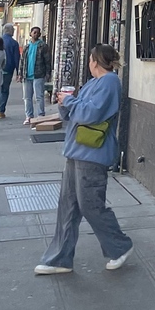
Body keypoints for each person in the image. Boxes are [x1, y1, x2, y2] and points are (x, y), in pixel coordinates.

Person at [35, 44, 134, 275]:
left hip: (92, 153)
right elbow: (79, 112)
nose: (89, 63)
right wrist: (64, 103)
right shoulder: (95, 83)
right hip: (79, 150)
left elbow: (91, 113)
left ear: (95, 61)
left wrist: (69, 102)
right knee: (68, 206)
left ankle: (119, 246)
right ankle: (59, 258)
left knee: (90, 205)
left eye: (90, 59)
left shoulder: (110, 82)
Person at [20, 27, 51, 124]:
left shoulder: (43, 46)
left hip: (39, 74)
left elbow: (47, 60)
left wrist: (47, 73)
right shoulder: (27, 47)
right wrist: (20, 74)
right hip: (27, 75)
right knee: (27, 97)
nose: (35, 34)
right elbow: (22, 61)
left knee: (39, 96)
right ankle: (29, 116)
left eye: (37, 33)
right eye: (34, 32)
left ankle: (41, 115)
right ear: (30, 33)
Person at [0, 23, 21, 119]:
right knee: (4, 90)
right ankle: (1, 111)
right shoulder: (14, 43)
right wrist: (18, 72)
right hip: (8, 69)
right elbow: (16, 58)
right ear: (11, 31)